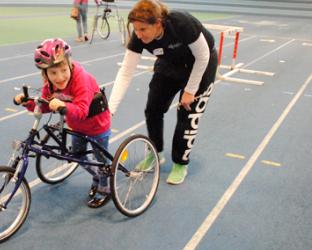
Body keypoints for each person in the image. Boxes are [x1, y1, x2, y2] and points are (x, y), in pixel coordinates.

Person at [108, 0, 218, 185]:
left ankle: (180, 163)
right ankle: (155, 152)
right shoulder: (138, 36)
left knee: (187, 115)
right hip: (169, 63)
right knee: (153, 109)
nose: (139, 34)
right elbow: (126, 72)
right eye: (136, 29)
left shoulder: (181, 23)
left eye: (143, 29)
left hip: (200, 65)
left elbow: (203, 56)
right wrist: (110, 109)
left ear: (158, 24)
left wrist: (190, 90)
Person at [14, 38, 112, 208]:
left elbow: (82, 111)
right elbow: (45, 105)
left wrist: (63, 105)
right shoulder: (50, 85)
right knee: (78, 156)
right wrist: (27, 103)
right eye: (53, 73)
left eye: (63, 70)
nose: (59, 77)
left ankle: (105, 189)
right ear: (45, 74)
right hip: (77, 126)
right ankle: (97, 176)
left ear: (70, 64)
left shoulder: (82, 79)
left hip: (97, 125)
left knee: (101, 161)